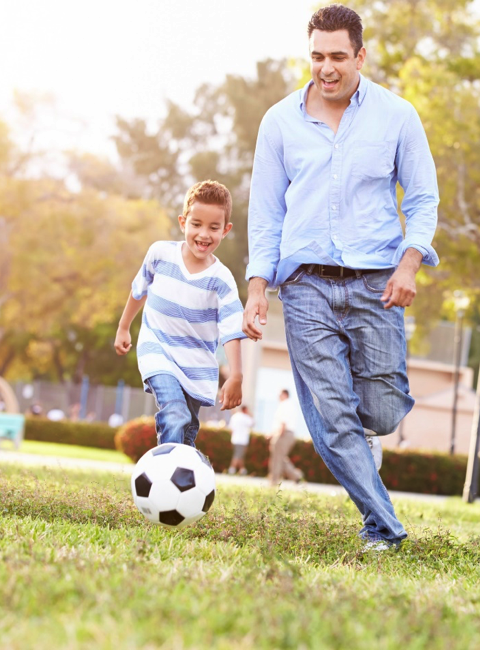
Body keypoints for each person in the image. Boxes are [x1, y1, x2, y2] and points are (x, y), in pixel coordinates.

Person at [242, 4, 439, 550]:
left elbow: (423, 199)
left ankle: (359, 447)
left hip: (377, 280)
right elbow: (265, 213)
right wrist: (258, 287)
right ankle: (385, 526)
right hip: (304, 284)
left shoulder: (398, 116)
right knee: (331, 418)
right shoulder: (279, 122)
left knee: (378, 411)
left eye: (337, 57)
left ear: (360, 55)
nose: (326, 68)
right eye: (316, 57)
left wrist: (409, 262)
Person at [115, 180, 246, 446]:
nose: (204, 234)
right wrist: (123, 326)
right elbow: (139, 289)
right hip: (158, 350)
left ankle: (185, 478)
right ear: (183, 222)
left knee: (187, 429)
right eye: (196, 224)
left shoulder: (222, 279)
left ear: (226, 229)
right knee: (175, 412)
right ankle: (164, 474)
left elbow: (232, 329)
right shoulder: (160, 254)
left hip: (197, 365)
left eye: (214, 227)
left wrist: (236, 374)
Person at [268, 390, 304, 485]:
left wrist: (277, 435)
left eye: (279, 394)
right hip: (287, 434)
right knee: (280, 457)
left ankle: (274, 481)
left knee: (277, 459)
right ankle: (296, 476)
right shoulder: (290, 405)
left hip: (283, 434)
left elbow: (283, 422)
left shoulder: (285, 404)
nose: (278, 396)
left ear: (285, 394)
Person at [228, 405, 254, 475]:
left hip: (235, 439)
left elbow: (231, 429)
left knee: (240, 455)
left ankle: (242, 470)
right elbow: (252, 423)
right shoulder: (246, 417)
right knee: (238, 455)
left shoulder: (234, 417)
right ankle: (232, 469)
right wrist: (250, 414)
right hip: (242, 440)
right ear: (245, 410)